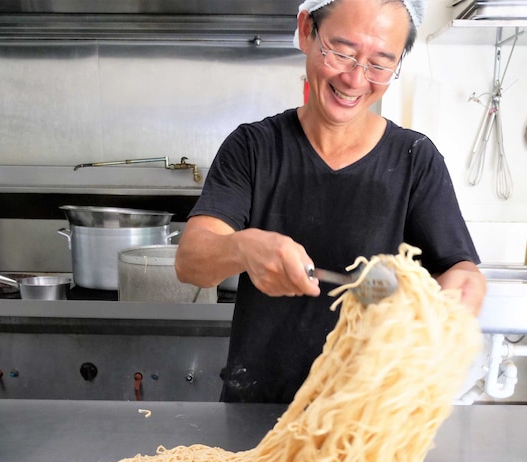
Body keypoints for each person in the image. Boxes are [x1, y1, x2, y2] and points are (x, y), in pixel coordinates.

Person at [175, 0, 486, 404]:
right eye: (342, 52)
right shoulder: (253, 148)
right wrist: (242, 247)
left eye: (379, 63)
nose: (356, 79)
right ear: (307, 31)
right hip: (258, 409)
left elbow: (459, 269)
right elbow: (190, 263)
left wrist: (459, 294)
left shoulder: (415, 159)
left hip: (368, 419)